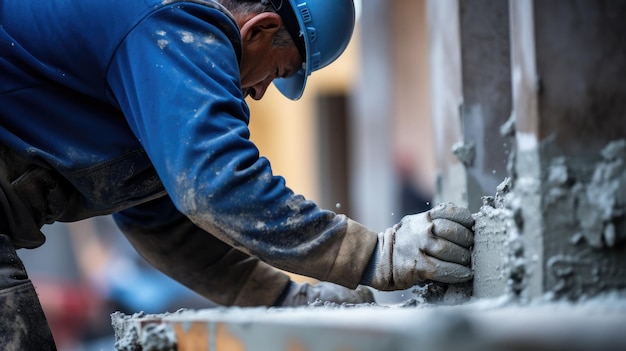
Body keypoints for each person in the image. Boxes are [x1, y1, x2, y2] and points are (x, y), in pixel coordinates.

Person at [0, 0, 475, 349]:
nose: (262, 91)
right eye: (277, 70)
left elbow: (164, 221)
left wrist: (281, 299)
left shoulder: (148, 50)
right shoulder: (175, 21)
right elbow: (217, 184)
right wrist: (376, 255)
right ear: (261, 29)